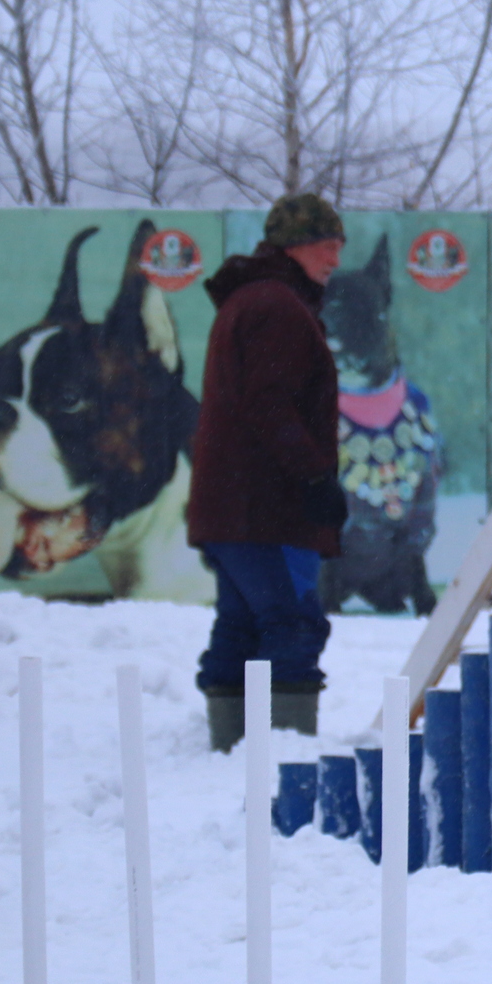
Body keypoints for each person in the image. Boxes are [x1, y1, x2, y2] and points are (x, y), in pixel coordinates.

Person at [187, 193, 351, 751]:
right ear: (296, 245)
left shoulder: (248, 301)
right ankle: (290, 761)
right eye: (328, 246)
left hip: (230, 506)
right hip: (266, 509)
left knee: (241, 624)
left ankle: (228, 752)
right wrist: (313, 478)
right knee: (294, 622)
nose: (335, 260)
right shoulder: (278, 307)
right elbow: (270, 404)